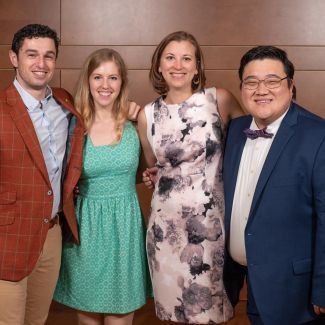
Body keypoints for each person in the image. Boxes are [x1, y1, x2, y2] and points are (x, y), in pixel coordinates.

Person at [138, 31, 244, 324]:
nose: (178, 65)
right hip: (165, 230)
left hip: (209, 230)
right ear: (159, 64)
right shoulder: (147, 115)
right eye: (170, 57)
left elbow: (252, 145)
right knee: (173, 313)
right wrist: (151, 177)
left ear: (197, 66)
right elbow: (154, 169)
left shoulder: (219, 100)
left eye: (187, 58)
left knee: (210, 313)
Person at [223, 45, 325, 325]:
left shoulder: (318, 136)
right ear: (242, 88)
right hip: (248, 282)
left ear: (290, 86)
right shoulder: (234, 131)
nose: (261, 90)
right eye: (251, 82)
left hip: (296, 293)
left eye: (272, 81)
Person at [54, 48, 151, 325]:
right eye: (98, 77)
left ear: (122, 82)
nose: (105, 85)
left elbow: (151, 169)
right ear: (87, 81)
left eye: (113, 77)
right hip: (86, 230)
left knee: (120, 317)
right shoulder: (73, 126)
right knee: (88, 317)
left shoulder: (137, 121)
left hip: (125, 228)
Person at [0, 24, 84, 325]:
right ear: (14, 58)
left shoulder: (65, 102)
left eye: (49, 56)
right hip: (6, 237)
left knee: (37, 320)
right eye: (32, 54)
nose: (41, 64)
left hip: (51, 234)